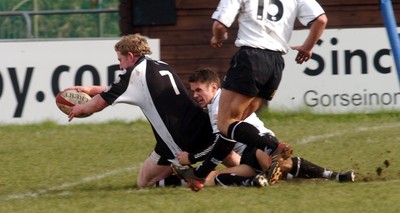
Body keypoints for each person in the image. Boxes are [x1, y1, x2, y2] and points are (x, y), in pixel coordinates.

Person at [172, 0, 328, 191]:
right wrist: (307, 46)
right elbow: (321, 20)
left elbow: (219, 25)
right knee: (236, 124)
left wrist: (217, 37)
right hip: (276, 63)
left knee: (225, 123)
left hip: (251, 57)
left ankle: (273, 147)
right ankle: (200, 174)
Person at [65, 34, 229, 188]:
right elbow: (112, 90)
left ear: (130, 56)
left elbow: (99, 104)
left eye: (120, 60)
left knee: (146, 183)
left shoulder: (134, 74)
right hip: (198, 123)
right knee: (231, 157)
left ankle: (215, 178)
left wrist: (81, 108)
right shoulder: (161, 64)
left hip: (177, 137)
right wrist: (89, 89)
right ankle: (241, 175)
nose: (120, 66)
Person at [165, 68, 354, 188]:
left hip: (260, 145)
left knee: (267, 163)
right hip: (246, 158)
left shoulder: (220, 106)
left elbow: (221, 143)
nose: (195, 95)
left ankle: (334, 175)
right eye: (192, 91)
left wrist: (192, 158)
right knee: (210, 178)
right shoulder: (214, 106)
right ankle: (254, 181)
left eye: (199, 90)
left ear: (214, 87)